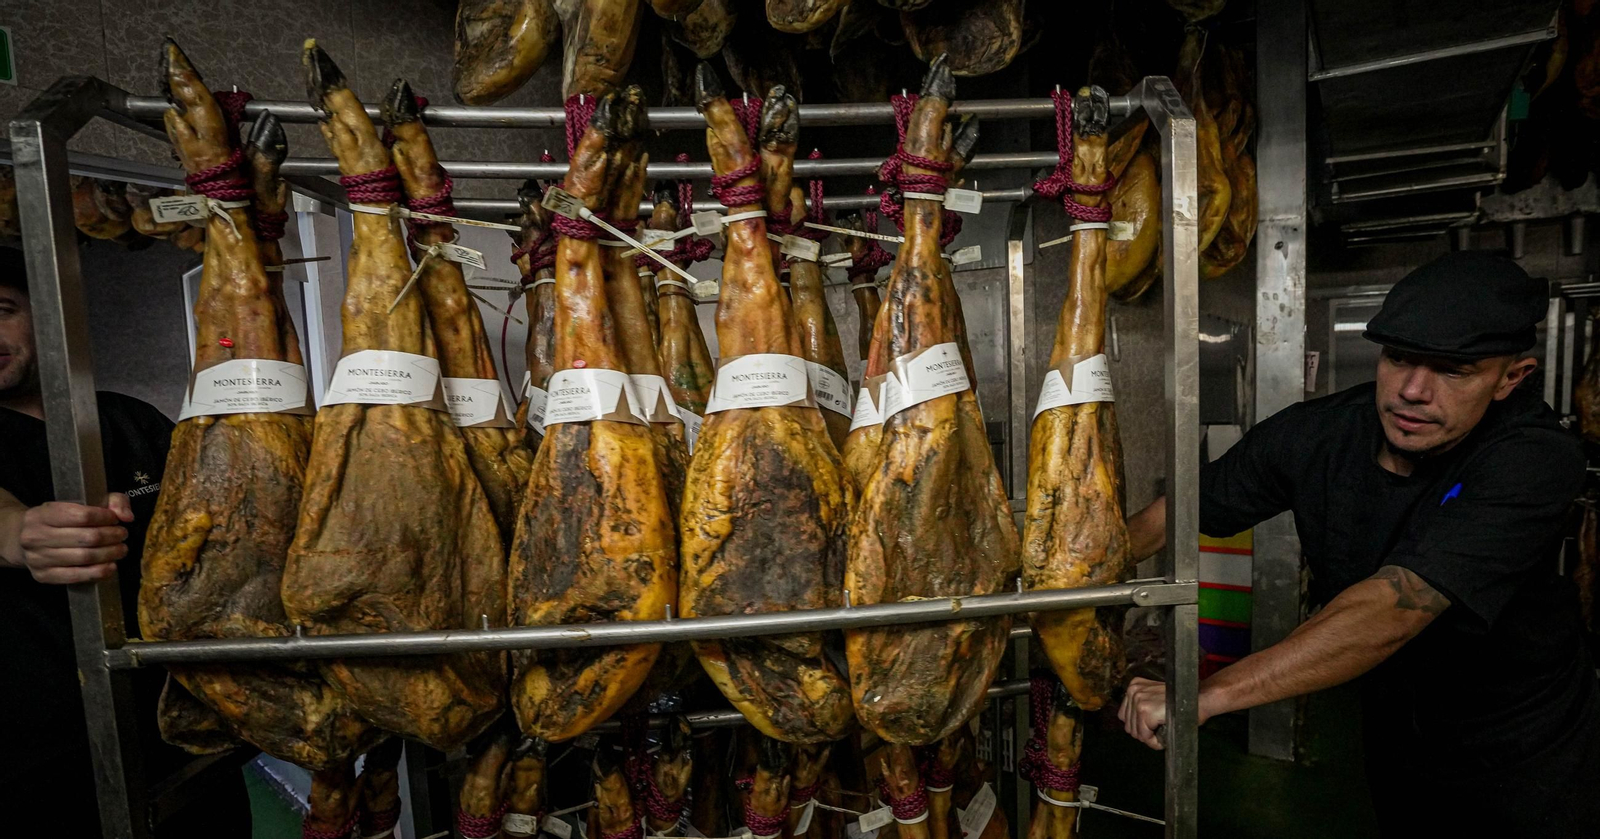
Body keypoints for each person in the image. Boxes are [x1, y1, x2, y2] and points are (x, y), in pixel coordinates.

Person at [1116, 251, 1600, 834]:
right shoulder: (1317, 434)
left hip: (1521, 738)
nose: (1413, 390)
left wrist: (1207, 695)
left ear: (1511, 378)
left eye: (1454, 370)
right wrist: (1064, 586)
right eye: (1398, 358)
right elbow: (1174, 513)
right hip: (1396, 722)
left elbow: (1392, 610)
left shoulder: (1533, 459)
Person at [0, 246, 251, 836]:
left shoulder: (125, 419)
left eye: (3, 309)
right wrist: (18, 532)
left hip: (183, 726)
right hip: (39, 760)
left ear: (44, 315)